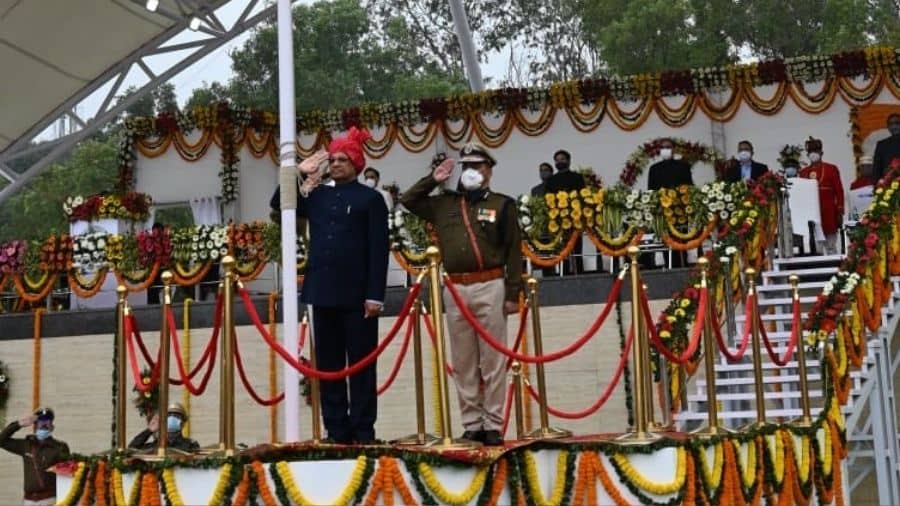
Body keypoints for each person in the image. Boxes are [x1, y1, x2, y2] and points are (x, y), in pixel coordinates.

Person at [401, 142, 522, 446]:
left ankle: (493, 423)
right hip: (455, 287)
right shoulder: (444, 204)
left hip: (490, 284)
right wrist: (434, 179)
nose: (471, 171)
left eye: (478, 166)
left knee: (492, 360)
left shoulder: (502, 204)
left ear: (489, 170)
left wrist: (513, 292)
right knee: (464, 361)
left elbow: (513, 251)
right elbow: (408, 200)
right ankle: (472, 423)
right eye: (466, 165)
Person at [274, 127, 389, 445]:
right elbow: (278, 206)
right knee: (329, 367)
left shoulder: (371, 199)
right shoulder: (318, 195)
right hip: (322, 293)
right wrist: (298, 172)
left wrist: (375, 295)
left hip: (358, 297)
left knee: (361, 368)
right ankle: (336, 431)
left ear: (356, 163)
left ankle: (364, 431)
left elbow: (379, 250)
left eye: (343, 159)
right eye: (333, 159)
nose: (336, 164)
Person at [0, 407, 70, 506]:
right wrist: (18, 424)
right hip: (29, 500)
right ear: (35, 426)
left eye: (47, 422)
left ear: (52, 427)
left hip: (50, 499)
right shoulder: (26, 445)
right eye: (40, 422)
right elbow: (1, 441)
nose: (43, 425)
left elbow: (66, 475)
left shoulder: (59, 447)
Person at [645, 138, 693, 268]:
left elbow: (689, 188)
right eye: (663, 147)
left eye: (668, 147)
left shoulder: (683, 167)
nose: (665, 150)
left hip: (680, 212)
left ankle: (683, 267)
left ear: (673, 150)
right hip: (663, 213)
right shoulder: (654, 169)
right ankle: (669, 266)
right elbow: (651, 191)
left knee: (681, 242)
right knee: (667, 242)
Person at [799, 137, 845, 255]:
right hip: (811, 215)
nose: (813, 153)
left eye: (816, 150)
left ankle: (835, 270)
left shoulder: (831, 168)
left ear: (821, 152)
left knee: (831, 246)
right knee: (816, 249)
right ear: (807, 154)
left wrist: (840, 211)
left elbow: (839, 191)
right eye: (810, 151)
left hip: (829, 212)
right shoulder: (803, 172)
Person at [544, 149, 585, 274]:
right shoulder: (551, 180)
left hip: (575, 219)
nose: (559, 162)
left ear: (568, 161)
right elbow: (548, 199)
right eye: (557, 160)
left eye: (562, 159)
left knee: (577, 249)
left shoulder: (577, 177)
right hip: (558, 220)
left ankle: (580, 272)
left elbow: (583, 196)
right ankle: (564, 273)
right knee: (562, 250)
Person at [128, 403, 199, 453]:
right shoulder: (156, 444)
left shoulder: (190, 445)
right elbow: (131, 449)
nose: (172, 418)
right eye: (169, 415)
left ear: (183, 423)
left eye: (176, 416)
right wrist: (149, 430)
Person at [872, 113, 900, 183]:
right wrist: (876, 186)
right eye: (890, 124)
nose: (894, 126)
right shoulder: (881, 145)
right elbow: (876, 169)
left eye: (897, 123)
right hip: (887, 186)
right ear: (888, 127)